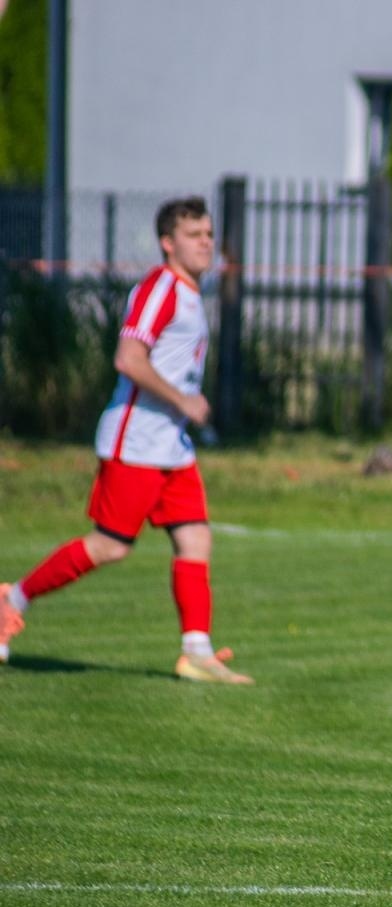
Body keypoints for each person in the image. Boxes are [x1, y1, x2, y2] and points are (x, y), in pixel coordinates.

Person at [0, 197, 252, 684]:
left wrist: (182, 410)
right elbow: (128, 359)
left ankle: (196, 651)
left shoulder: (192, 291)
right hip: (135, 441)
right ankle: (11, 599)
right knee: (111, 546)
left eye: (208, 234)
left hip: (171, 447)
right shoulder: (161, 288)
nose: (205, 243)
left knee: (196, 537)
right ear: (167, 242)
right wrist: (183, 400)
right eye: (193, 234)